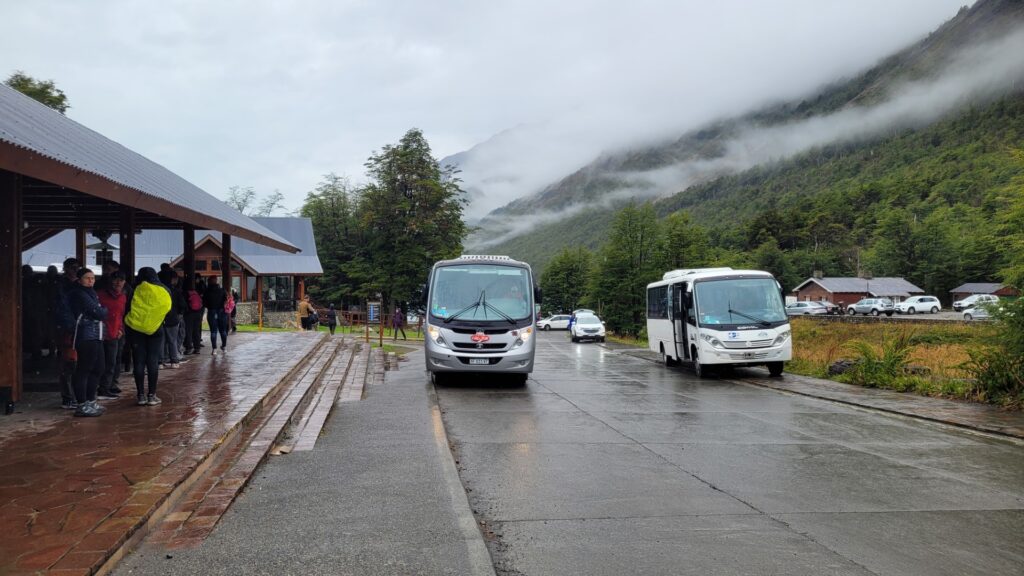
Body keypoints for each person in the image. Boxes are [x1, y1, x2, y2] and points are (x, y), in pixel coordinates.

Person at [125, 267, 172, 406]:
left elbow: (127, 308)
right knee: (152, 361)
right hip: (156, 330)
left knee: (138, 361)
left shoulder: (135, 289)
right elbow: (168, 310)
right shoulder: (164, 289)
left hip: (136, 330)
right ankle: (152, 395)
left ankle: (140, 395)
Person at [68, 268, 108, 417]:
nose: (91, 281)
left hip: (97, 333)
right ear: (80, 280)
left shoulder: (91, 293)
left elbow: (99, 312)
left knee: (99, 368)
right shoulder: (79, 294)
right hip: (85, 334)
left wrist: (101, 311)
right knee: (85, 369)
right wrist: (102, 310)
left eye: (92, 278)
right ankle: (81, 403)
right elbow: (98, 312)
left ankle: (91, 400)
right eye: (87, 278)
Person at [96, 270, 127, 399]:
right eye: (115, 279)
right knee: (102, 362)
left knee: (112, 362)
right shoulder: (100, 295)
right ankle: (102, 387)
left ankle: (108, 386)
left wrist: (121, 329)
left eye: (121, 280)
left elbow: (120, 315)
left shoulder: (123, 297)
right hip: (100, 333)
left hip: (115, 333)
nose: (118, 282)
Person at [55, 257, 81, 410]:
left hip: (79, 328)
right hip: (66, 329)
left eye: (77, 267)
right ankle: (68, 397)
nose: (75, 270)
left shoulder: (80, 286)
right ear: (65, 268)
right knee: (68, 363)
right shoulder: (60, 286)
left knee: (80, 363)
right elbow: (60, 309)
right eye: (72, 267)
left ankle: (77, 395)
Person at [158, 270, 185, 369]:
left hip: (160, 319)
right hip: (173, 319)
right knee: (172, 341)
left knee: (161, 341)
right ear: (173, 279)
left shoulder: (158, 290)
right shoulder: (175, 291)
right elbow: (182, 304)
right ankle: (174, 361)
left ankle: (160, 362)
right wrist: (180, 314)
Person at [203, 276, 229, 355]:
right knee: (223, 331)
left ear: (209, 282)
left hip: (211, 311)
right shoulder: (222, 290)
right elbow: (226, 300)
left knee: (213, 331)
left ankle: (214, 349)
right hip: (222, 312)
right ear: (216, 281)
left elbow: (204, 303)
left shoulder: (206, 291)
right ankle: (224, 347)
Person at [183, 276, 204, 355]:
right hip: (198, 313)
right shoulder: (195, 292)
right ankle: (197, 348)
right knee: (196, 331)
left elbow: (183, 304)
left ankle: (189, 348)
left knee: (188, 331)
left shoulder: (185, 293)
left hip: (189, 314)